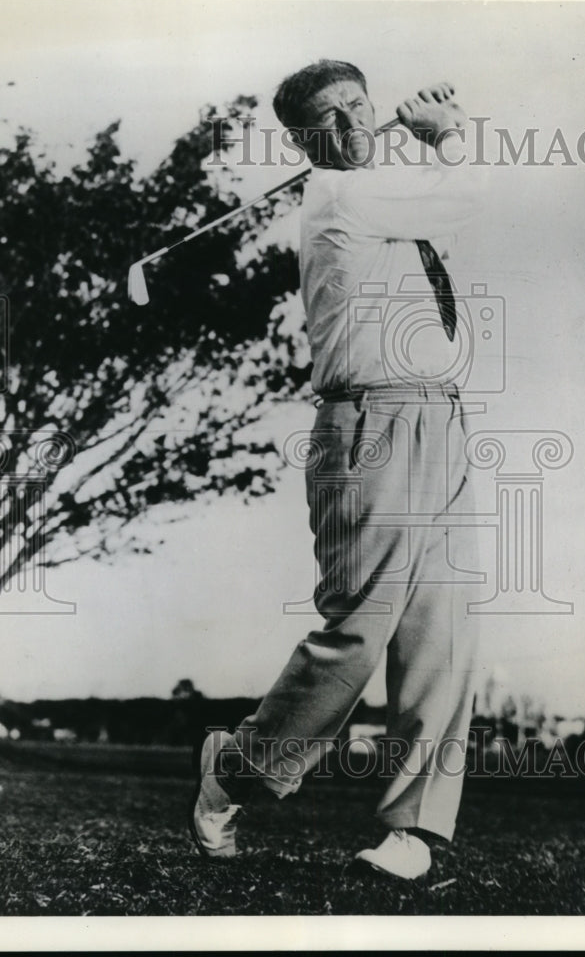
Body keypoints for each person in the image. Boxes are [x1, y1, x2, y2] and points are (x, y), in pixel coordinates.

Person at [190, 60, 485, 881]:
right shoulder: (337, 195)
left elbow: (445, 211)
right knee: (360, 630)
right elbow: (462, 194)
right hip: (372, 425)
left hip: (444, 417)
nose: (353, 125)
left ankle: (414, 834)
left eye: (360, 106)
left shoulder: (380, 189)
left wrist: (428, 142)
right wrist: (449, 131)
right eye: (331, 117)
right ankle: (236, 769)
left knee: (444, 629)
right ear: (304, 140)